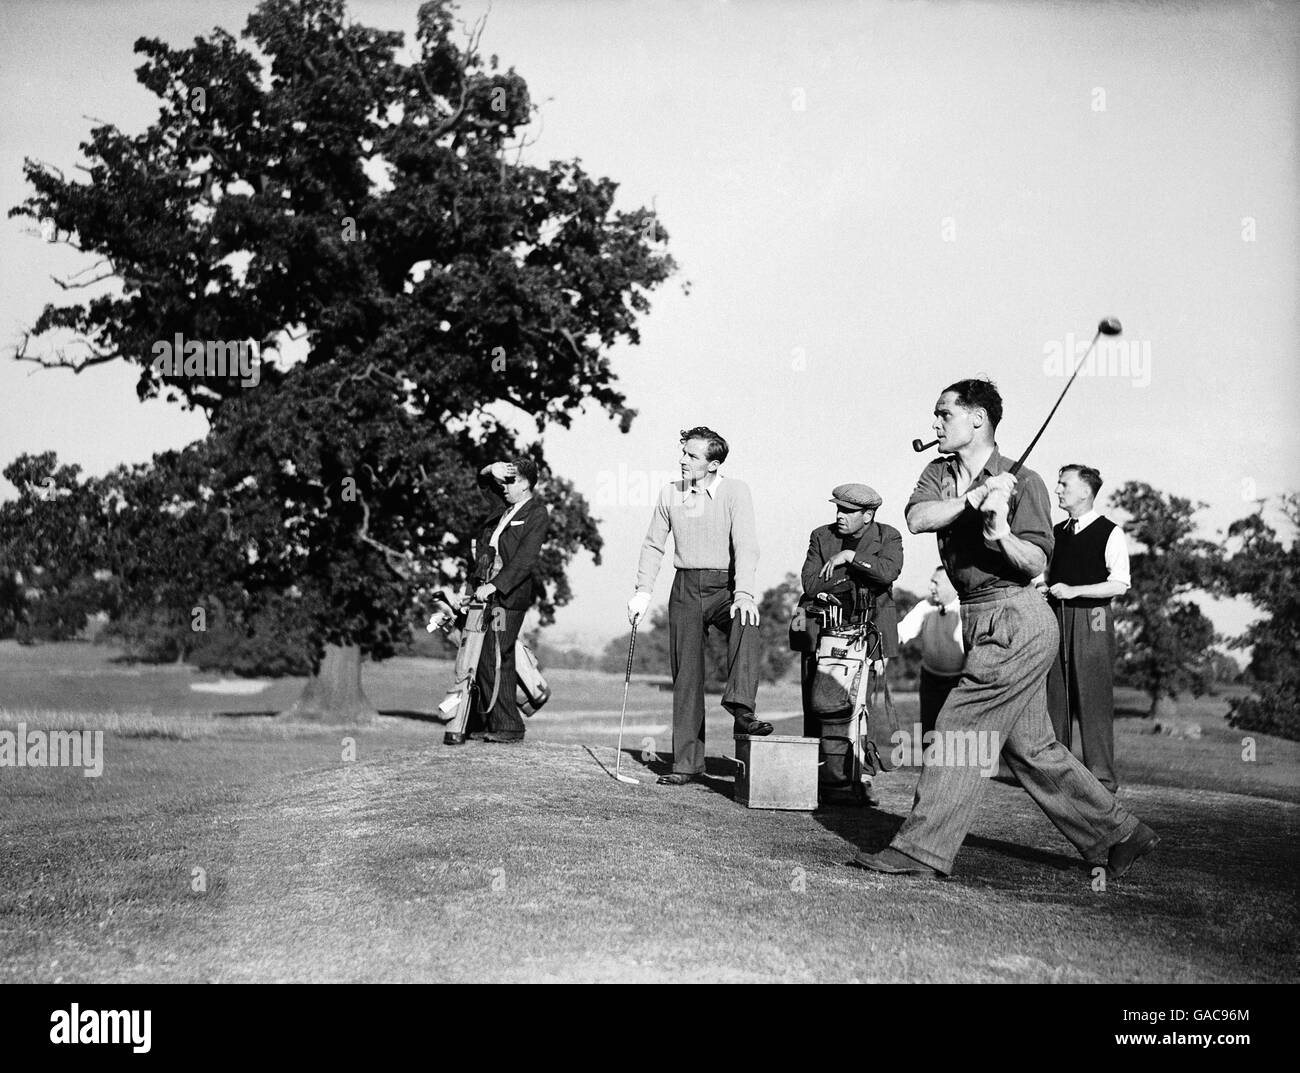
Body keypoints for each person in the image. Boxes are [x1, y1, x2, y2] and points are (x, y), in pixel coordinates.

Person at [851, 378, 1157, 880]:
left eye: (943, 414)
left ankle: (920, 850)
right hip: (978, 614)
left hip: (1018, 615)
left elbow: (1035, 558)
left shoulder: (1029, 481)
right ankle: (1118, 833)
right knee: (1031, 747)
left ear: (977, 419)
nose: (935, 424)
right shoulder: (938, 472)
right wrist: (974, 501)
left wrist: (1001, 534)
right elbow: (917, 517)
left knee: (957, 729)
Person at [628, 427, 771, 786]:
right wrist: (643, 592)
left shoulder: (736, 491)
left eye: (691, 456)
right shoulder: (669, 494)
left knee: (748, 623)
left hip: (727, 586)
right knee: (687, 675)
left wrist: (745, 593)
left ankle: (740, 705)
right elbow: (652, 545)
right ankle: (687, 764)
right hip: (686, 588)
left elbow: (746, 545)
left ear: (713, 464)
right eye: (683, 453)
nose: (682, 460)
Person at [796, 483, 903, 805]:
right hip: (823, 636)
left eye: (848, 511)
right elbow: (812, 584)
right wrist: (858, 576)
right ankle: (821, 777)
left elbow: (888, 573)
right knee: (819, 707)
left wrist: (849, 557)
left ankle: (863, 777)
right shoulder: (821, 536)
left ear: (868, 515)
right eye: (838, 509)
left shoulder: (889, 536)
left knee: (862, 712)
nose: (840, 516)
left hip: (870, 640)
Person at [449, 459, 550, 746]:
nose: (504, 487)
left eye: (511, 481)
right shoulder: (503, 508)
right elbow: (483, 483)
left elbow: (525, 559)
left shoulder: (536, 513)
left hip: (508, 598)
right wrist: (490, 468)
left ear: (526, 484)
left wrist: (496, 585)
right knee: (481, 655)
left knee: (495, 653)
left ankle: (508, 726)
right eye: (503, 482)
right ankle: (486, 721)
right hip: (485, 594)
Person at [1043, 464, 1130, 793]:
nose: (1058, 490)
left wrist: (1074, 590)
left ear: (1085, 491)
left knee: (1093, 699)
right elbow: (1049, 577)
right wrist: (1048, 589)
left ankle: (1102, 780)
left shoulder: (1110, 531)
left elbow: (1119, 584)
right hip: (1058, 616)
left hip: (1093, 619)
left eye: (1064, 484)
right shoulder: (1057, 531)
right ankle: (1057, 776)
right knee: (1056, 699)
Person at [895, 565, 964, 740]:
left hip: (959, 683)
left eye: (936, 583)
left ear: (952, 585)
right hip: (930, 681)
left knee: (955, 736)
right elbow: (902, 631)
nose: (931, 587)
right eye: (931, 582)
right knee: (929, 733)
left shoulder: (966, 609)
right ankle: (929, 767)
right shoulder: (925, 606)